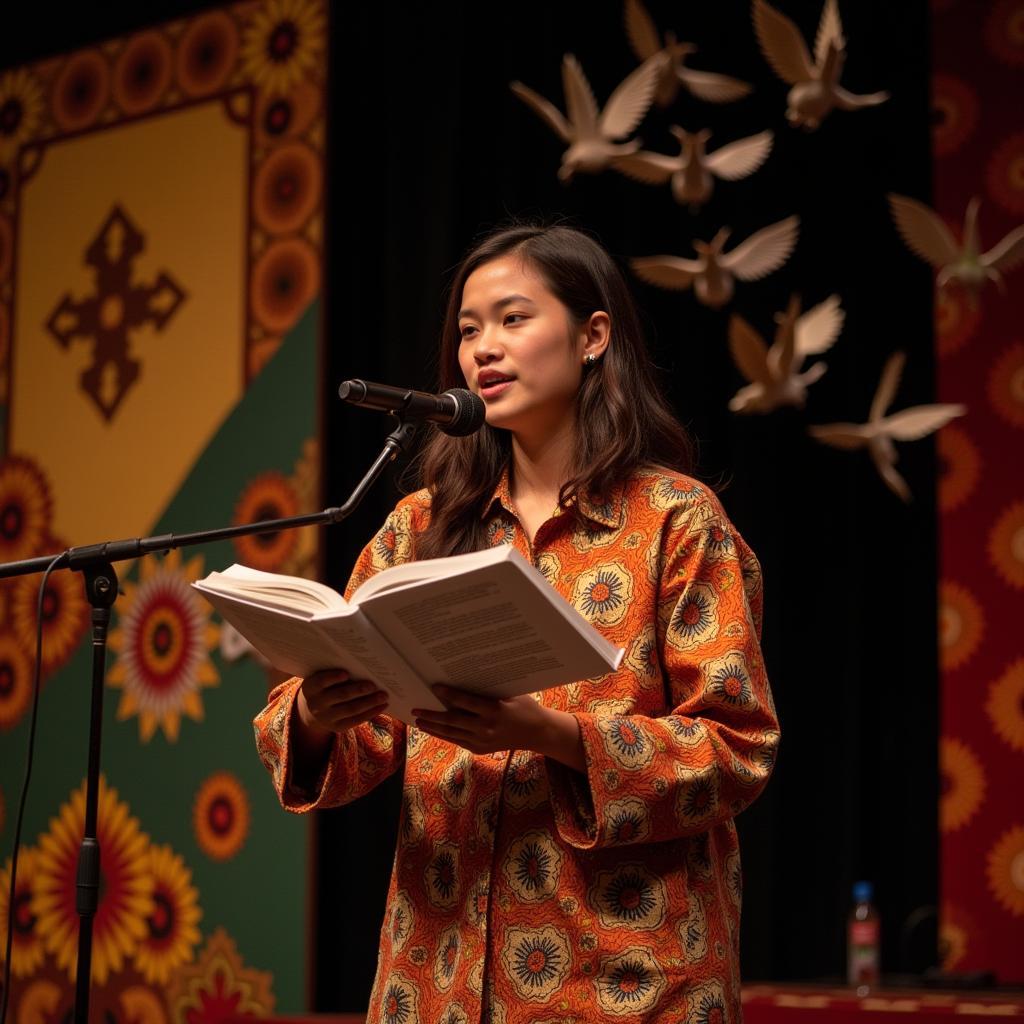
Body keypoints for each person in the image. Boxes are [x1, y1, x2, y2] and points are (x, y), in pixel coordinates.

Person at [253, 222, 779, 1023]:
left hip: (626, 980)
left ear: (593, 336)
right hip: (437, 972)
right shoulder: (419, 526)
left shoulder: (677, 519)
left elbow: (737, 748)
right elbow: (363, 747)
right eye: (468, 331)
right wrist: (320, 715)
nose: (482, 350)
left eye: (512, 319)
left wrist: (549, 732)